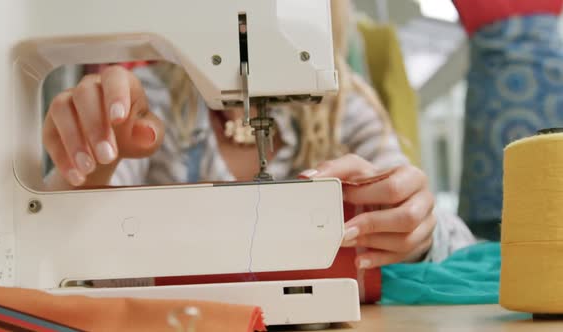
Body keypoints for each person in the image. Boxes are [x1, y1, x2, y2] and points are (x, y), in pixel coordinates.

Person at [42, 0, 475, 269]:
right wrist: (86, 170)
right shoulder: (147, 106)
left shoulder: (343, 104)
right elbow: (65, 246)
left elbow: (457, 243)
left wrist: (415, 228)